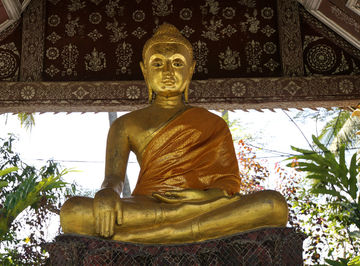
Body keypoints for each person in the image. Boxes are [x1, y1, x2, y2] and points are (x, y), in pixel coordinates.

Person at [60, 23, 288, 244]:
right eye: (157, 63)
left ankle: (147, 237)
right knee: (73, 212)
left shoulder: (213, 123)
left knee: (273, 205)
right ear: (144, 71)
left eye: (177, 63)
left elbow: (229, 185)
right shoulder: (125, 125)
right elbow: (114, 179)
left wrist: (201, 197)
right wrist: (108, 193)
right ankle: (183, 232)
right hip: (148, 206)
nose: (167, 72)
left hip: (203, 206)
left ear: (190, 70)